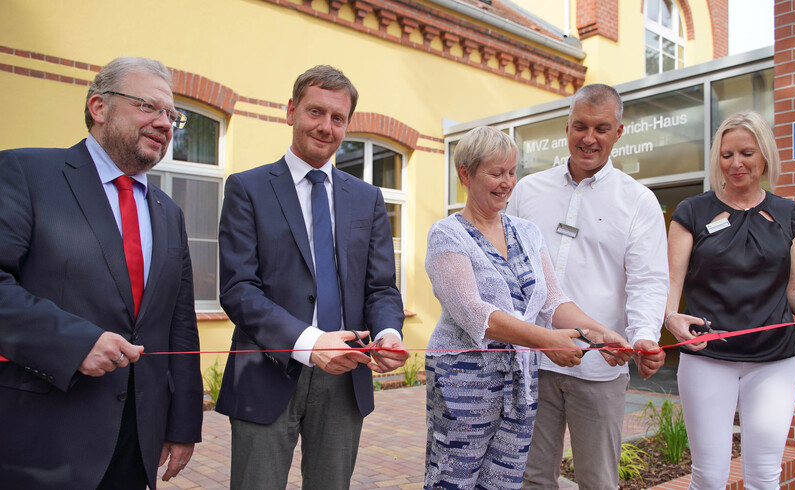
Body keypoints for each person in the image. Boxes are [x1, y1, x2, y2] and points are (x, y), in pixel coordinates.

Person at [0, 56, 203, 489]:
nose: (165, 123)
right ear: (99, 107)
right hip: (42, 437)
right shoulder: (25, 173)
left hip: (136, 442)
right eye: (148, 107)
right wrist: (73, 344)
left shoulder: (170, 213)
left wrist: (183, 424)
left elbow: (180, 324)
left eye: (172, 115)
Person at [216, 65, 409, 489]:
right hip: (267, 371)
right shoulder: (247, 188)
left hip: (346, 377)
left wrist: (389, 331)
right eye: (315, 112)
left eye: (337, 118)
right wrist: (310, 342)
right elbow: (237, 289)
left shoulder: (367, 197)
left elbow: (380, 287)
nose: (326, 127)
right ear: (291, 111)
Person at [424, 125, 631, 489]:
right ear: (465, 174)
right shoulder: (447, 235)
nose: (506, 182)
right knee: (453, 481)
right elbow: (476, 314)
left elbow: (553, 301)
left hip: (520, 385)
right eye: (495, 173)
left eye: (511, 172)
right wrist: (547, 340)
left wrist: (598, 332)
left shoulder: (527, 232)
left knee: (505, 482)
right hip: (464, 386)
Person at [507, 83, 669, 490]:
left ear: (619, 131)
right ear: (566, 127)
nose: (588, 138)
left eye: (601, 128)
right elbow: (509, 269)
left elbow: (649, 281)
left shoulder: (638, 201)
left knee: (598, 481)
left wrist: (645, 336)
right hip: (533, 361)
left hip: (599, 369)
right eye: (580, 126)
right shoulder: (528, 191)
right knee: (530, 480)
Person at [664, 110, 795, 489]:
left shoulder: (790, 214)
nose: (736, 163)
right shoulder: (693, 211)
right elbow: (670, 286)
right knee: (709, 476)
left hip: (774, 360)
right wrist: (670, 318)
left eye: (746, 153)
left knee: (764, 476)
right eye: (727, 155)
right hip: (708, 356)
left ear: (765, 156)